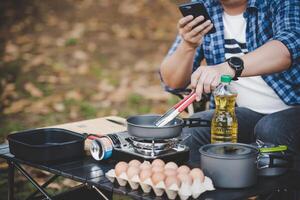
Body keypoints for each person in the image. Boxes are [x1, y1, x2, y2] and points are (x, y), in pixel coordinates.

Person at [160, 0, 300, 163]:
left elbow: (289, 46)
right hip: (243, 112)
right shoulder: (204, 8)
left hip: (293, 109)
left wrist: (229, 67)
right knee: (192, 127)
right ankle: (204, 184)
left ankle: (278, 187)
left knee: (271, 128)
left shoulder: (280, 3)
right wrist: (188, 45)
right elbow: (172, 82)